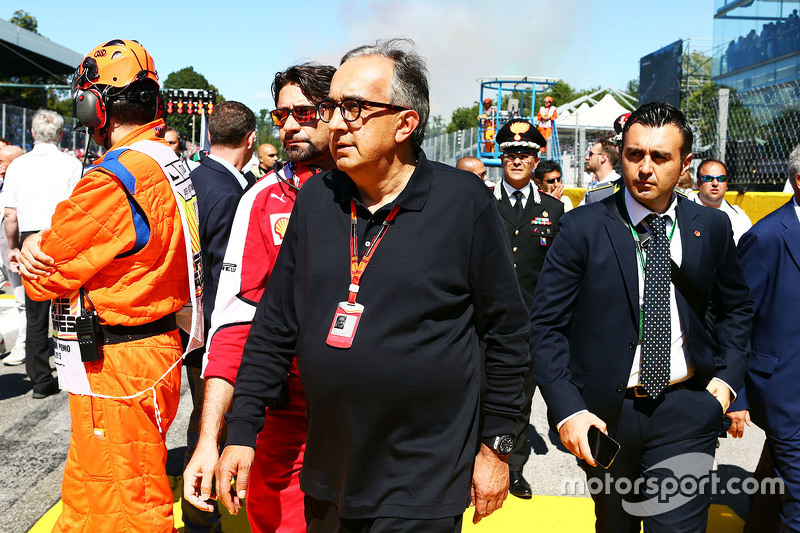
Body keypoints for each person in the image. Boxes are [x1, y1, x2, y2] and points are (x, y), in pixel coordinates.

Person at [217, 39, 529, 532]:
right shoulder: (317, 198)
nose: (336, 123)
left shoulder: (462, 203)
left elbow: (507, 335)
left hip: (422, 478)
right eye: (332, 107)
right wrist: (242, 430)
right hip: (329, 470)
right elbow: (275, 324)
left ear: (405, 123)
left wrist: (496, 448)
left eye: (355, 108)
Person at [530, 101, 753, 532]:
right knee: (615, 524)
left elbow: (736, 308)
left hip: (686, 410)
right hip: (604, 415)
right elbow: (546, 326)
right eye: (634, 155)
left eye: (660, 156)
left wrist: (724, 386)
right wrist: (568, 409)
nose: (645, 168)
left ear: (685, 164)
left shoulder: (712, 227)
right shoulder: (582, 228)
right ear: (621, 155)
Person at [18, 39, 201, 531]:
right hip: (147, 349)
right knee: (95, 491)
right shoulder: (165, 161)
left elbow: (47, 273)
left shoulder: (115, 177)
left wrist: (32, 248)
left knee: (125, 507)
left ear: (95, 106)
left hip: (118, 365)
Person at [183, 62, 337, 533]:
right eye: (281, 114)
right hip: (284, 412)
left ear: (339, 113)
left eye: (304, 113)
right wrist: (209, 438)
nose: (289, 125)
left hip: (370, 414)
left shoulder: (384, 193)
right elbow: (232, 324)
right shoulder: (263, 198)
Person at [184, 99, 257, 532]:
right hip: (216, 331)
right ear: (250, 140)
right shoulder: (231, 194)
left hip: (191, 327)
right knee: (214, 428)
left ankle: (200, 512)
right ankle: (205, 515)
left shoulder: (194, 178)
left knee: (202, 423)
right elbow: (227, 277)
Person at [727, 143, 800, 531]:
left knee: (779, 486)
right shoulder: (768, 237)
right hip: (784, 392)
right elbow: (737, 318)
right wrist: (735, 394)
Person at [492, 119, 563, 499]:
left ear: (536, 161)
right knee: (478, 394)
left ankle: (512, 467)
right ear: (501, 158)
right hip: (486, 323)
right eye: (510, 154)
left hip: (530, 325)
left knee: (520, 401)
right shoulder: (485, 201)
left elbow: (558, 272)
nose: (517, 160)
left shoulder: (553, 209)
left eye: (525, 154)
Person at [3, 111, 82, 384]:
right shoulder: (72, 163)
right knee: (68, 308)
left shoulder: (18, 165)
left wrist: (13, 248)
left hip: (28, 235)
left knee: (35, 312)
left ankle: (39, 378)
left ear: (33, 133)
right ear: (61, 135)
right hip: (61, 235)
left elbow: (10, 214)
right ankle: (74, 369)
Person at [0, 144, 25, 362]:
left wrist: (15, 248)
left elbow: (12, 217)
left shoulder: (24, 184)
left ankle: (22, 346)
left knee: (21, 301)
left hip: (13, 251)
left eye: (2, 162)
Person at [692, 159, 752, 244]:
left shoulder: (739, 217)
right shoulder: (683, 209)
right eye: (708, 178)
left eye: (721, 179)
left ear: (726, 184)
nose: (715, 183)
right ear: (698, 183)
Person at [580, 139, 621, 205]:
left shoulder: (619, 185)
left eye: (591, 154)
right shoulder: (592, 186)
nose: (587, 157)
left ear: (603, 158)